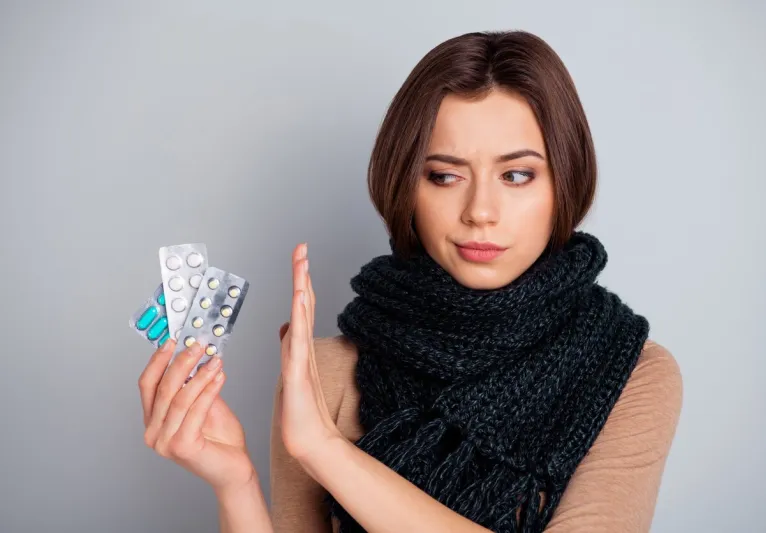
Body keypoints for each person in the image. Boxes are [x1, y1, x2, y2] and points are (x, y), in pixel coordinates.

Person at [137, 30, 683, 532]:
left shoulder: (629, 373)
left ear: (565, 183)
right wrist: (236, 483)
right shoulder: (322, 373)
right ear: (407, 188)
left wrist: (326, 450)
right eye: (444, 176)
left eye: (516, 175)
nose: (480, 211)